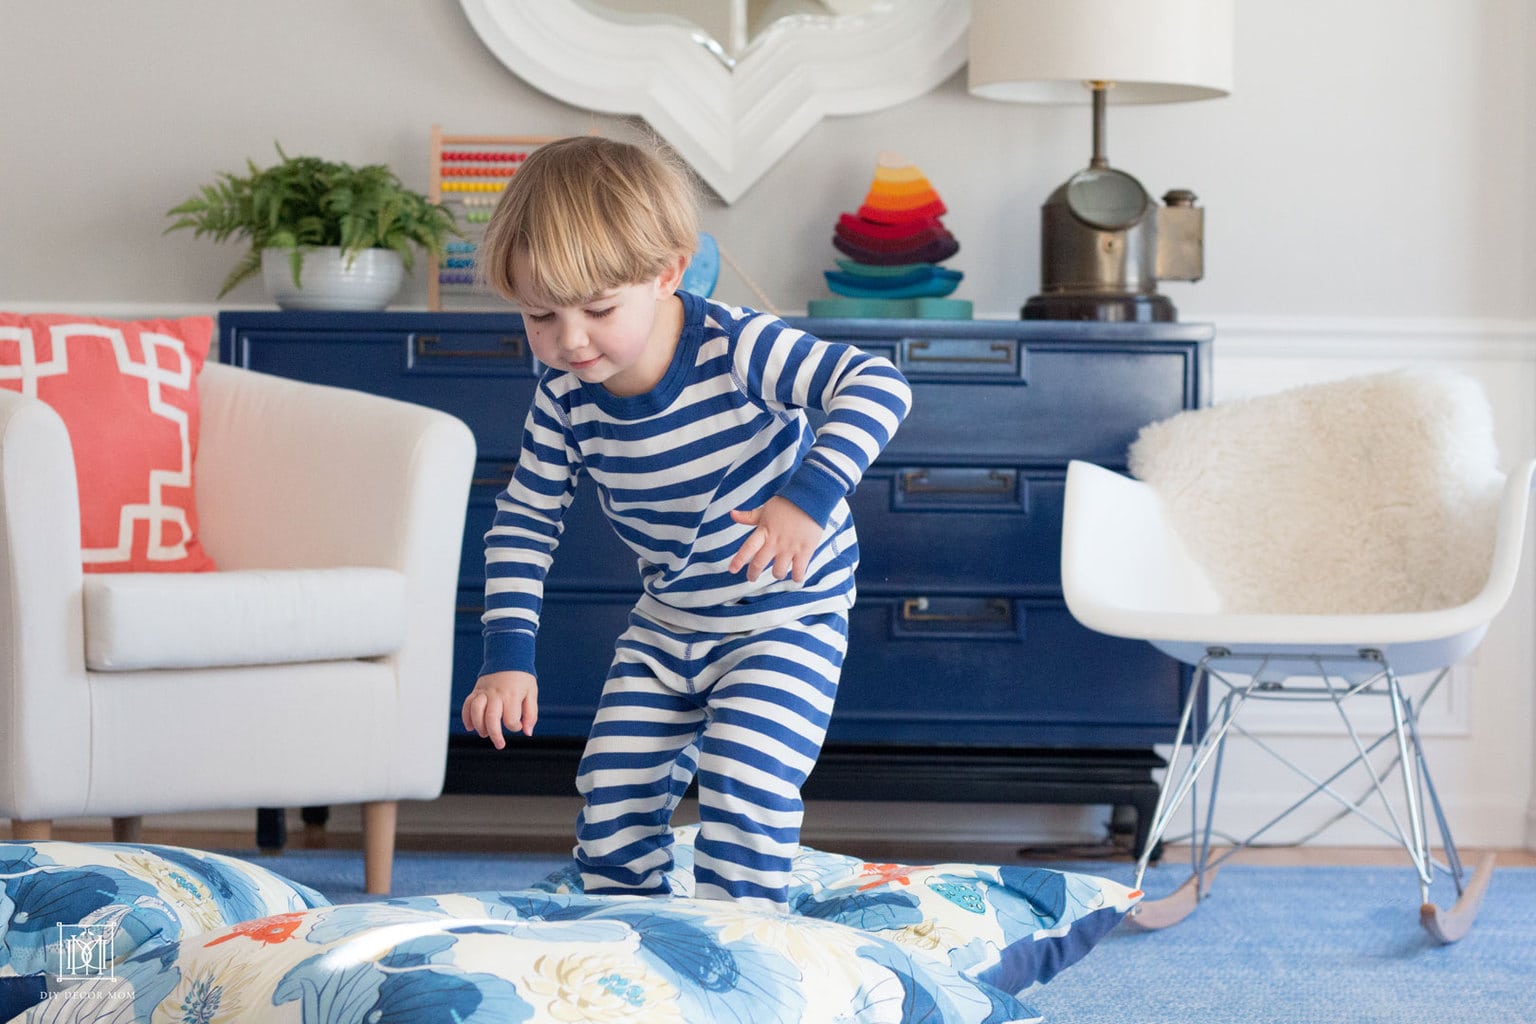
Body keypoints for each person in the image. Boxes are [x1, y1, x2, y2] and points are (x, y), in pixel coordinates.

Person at [460, 135, 911, 912]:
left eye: (599, 310)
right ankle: (623, 934)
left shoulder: (734, 347)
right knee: (613, 793)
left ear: (667, 272)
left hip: (786, 613)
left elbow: (875, 385)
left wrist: (805, 501)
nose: (569, 339)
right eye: (540, 315)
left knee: (744, 779)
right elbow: (524, 522)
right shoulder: (565, 395)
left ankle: (744, 945)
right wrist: (508, 655)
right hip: (670, 624)